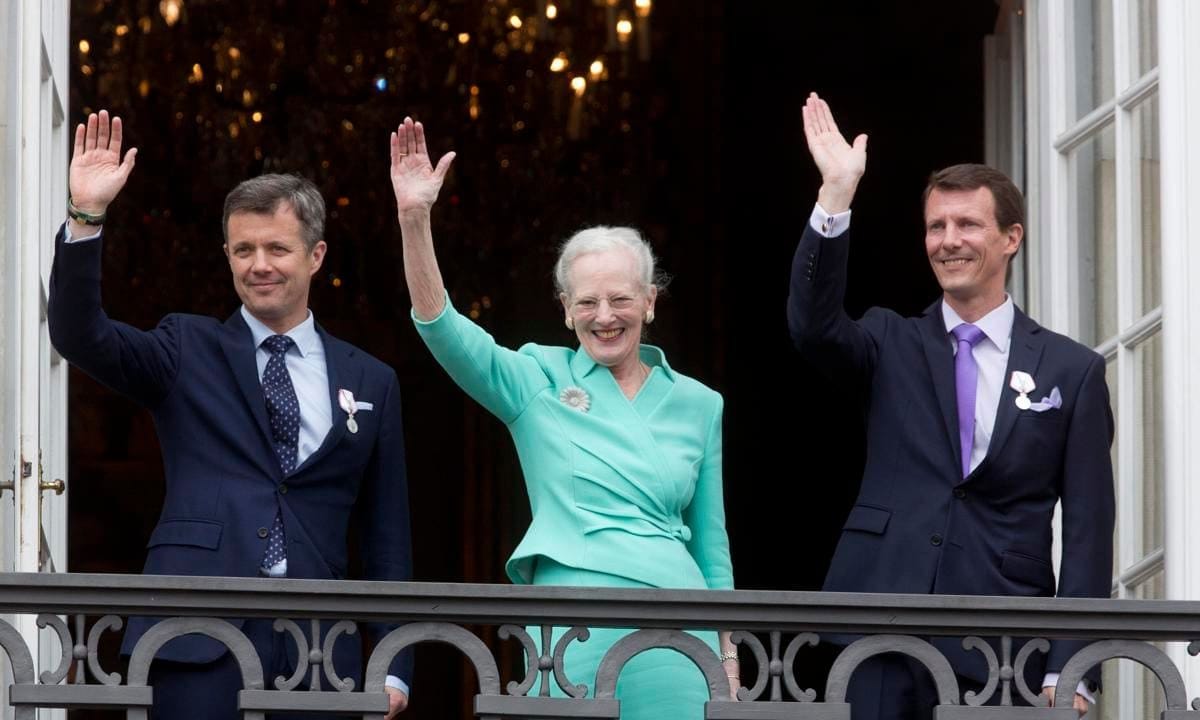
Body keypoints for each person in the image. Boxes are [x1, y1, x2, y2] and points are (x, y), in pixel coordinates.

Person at [48, 110, 413, 719]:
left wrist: (395, 662)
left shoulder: (372, 379)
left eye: (277, 248)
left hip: (319, 649)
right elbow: (80, 336)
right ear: (227, 254)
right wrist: (86, 217)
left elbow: (386, 537)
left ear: (316, 255)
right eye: (243, 250)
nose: (259, 264)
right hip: (194, 637)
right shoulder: (185, 347)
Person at [387, 116, 738, 716]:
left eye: (622, 298)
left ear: (650, 302)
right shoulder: (537, 379)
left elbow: (712, 545)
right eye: (588, 302)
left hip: (683, 635)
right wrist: (415, 221)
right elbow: (445, 332)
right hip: (573, 630)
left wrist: (726, 659)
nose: (606, 315)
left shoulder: (700, 403)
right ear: (565, 311)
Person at [788, 93, 1114, 720]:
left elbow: (1087, 532)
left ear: (1010, 237)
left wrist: (1073, 664)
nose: (948, 241)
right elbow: (811, 327)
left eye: (967, 225)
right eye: (936, 227)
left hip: (1002, 640)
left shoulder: (1072, 372)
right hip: (880, 628)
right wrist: (835, 197)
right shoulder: (890, 340)